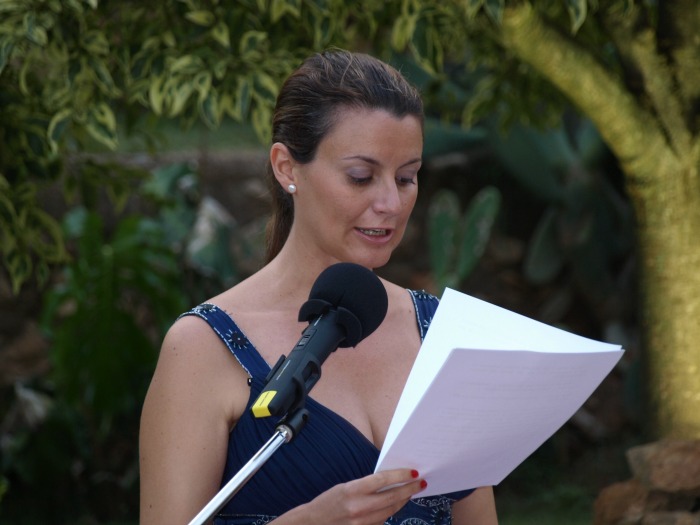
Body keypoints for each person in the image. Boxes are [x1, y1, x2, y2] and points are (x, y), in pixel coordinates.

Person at [139, 48, 498, 525]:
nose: (391, 203)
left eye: (407, 178)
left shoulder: (440, 333)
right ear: (287, 168)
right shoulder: (202, 347)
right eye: (361, 177)